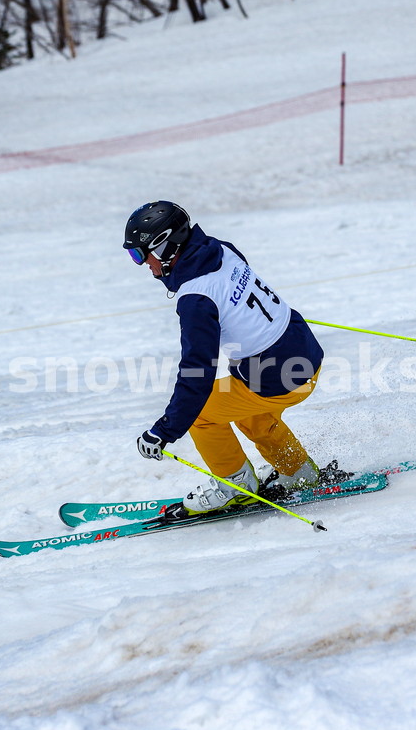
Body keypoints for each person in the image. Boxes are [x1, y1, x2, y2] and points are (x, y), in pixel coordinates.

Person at [125, 201, 325, 514]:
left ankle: (236, 484)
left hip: (280, 376)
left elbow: (196, 372)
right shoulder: (218, 248)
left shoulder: (196, 298)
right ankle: (298, 470)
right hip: (303, 352)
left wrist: (163, 431)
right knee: (247, 409)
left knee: (201, 414)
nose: (141, 264)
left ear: (164, 247)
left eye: (139, 254)